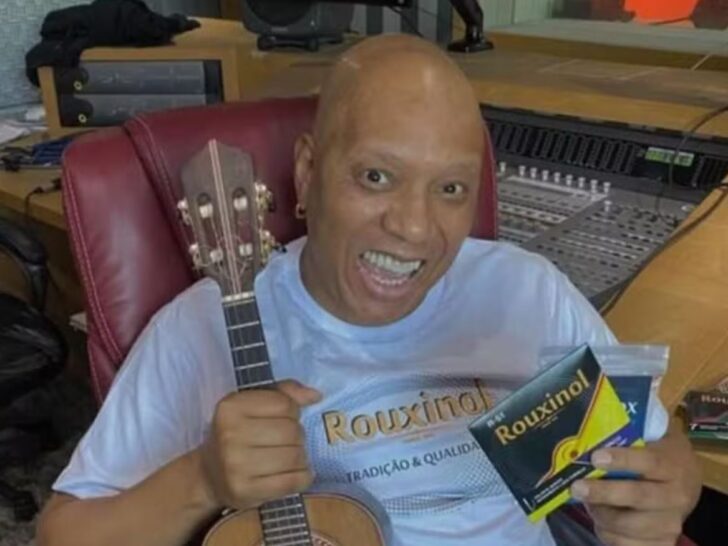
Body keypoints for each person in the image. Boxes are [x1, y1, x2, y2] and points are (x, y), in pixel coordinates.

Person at [37, 35, 701, 546]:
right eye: (376, 177)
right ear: (307, 173)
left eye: (450, 189)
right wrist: (200, 480)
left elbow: (654, 437)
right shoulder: (204, 326)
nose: (413, 227)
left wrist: (668, 488)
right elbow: (62, 536)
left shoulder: (526, 290)